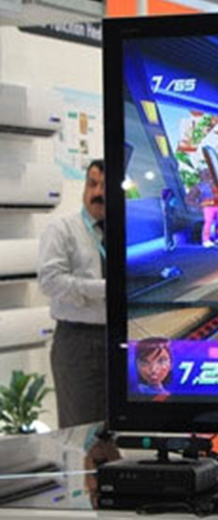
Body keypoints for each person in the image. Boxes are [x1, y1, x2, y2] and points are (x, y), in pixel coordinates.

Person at [38, 160, 107, 429]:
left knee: (115, 429)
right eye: (92, 184)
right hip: (78, 340)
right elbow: (50, 282)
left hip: (117, 339)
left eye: (104, 186)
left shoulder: (123, 232)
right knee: (80, 430)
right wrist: (104, 289)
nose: (97, 192)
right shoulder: (62, 229)